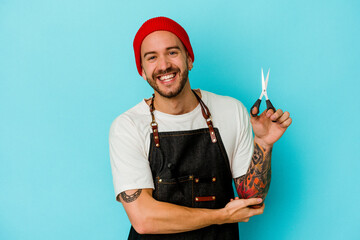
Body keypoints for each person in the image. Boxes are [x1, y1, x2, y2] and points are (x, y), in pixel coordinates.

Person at [109, 16, 292, 239]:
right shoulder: (128, 126)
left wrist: (263, 144)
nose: (164, 64)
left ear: (189, 59)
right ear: (142, 71)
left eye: (172, 52)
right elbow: (144, 219)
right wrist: (220, 217)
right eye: (151, 57)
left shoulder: (230, 110)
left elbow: (251, 197)